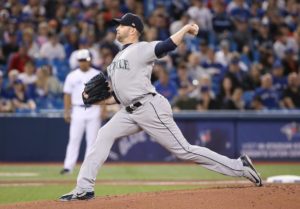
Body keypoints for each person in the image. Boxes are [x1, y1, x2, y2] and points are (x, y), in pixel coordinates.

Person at [59, 13, 262, 201]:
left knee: (184, 151)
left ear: (132, 29)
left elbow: (166, 46)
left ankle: (240, 167)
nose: (117, 28)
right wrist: (95, 100)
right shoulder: (117, 58)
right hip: (129, 110)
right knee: (104, 134)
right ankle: (84, 188)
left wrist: (184, 29)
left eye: (120, 25)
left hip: (149, 106)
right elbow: (118, 95)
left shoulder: (142, 48)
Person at [60, 49, 102, 175]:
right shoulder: (72, 76)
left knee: (92, 140)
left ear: (90, 60)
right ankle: (68, 166)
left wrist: (103, 109)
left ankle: (88, 168)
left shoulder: (97, 74)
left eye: (86, 60)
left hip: (94, 109)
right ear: (78, 61)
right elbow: (67, 95)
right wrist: (67, 111)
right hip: (77, 109)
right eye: (82, 60)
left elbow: (104, 93)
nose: (84, 63)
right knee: (74, 139)